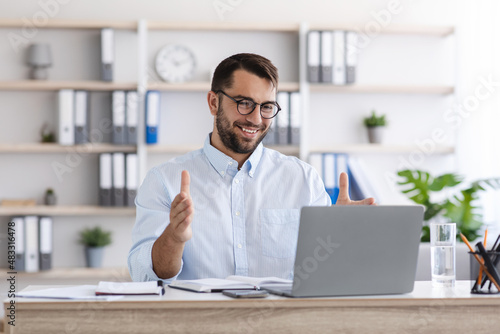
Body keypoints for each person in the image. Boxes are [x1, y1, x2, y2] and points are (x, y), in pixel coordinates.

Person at [128, 53, 375, 283]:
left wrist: (341, 234)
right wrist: (173, 238)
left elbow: (326, 276)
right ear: (214, 102)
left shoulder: (303, 178)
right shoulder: (164, 180)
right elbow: (145, 277)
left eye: (266, 106)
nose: (256, 119)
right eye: (244, 103)